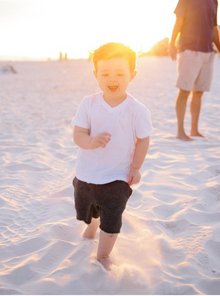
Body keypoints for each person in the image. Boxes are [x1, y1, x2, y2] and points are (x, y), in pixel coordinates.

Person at [71, 42, 153, 271]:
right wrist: (90, 142)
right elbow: (77, 134)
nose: (112, 78)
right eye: (105, 73)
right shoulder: (89, 104)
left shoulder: (137, 110)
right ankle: (91, 226)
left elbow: (143, 139)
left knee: (112, 216)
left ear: (132, 75)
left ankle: (103, 255)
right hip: (87, 173)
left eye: (119, 73)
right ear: (96, 74)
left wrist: (136, 167)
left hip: (118, 176)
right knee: (88, 210)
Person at [168, 0, 220, 141]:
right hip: (189, 49)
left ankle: (194, 129)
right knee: (184, 90)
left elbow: (214, 28)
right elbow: (178, 20)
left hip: (207, 52)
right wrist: (172, 44)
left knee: (199, 92)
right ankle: (180, 131)